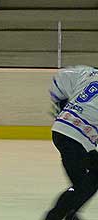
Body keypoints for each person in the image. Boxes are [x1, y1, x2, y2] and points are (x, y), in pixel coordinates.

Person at [44, 65, 98, 220]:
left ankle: (70, 214)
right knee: (84, 184)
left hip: (63, 130)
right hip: (76, 138)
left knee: (82, 183)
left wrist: (61, 105)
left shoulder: (89, 72)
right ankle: (57, 216)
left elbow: (60, 78)